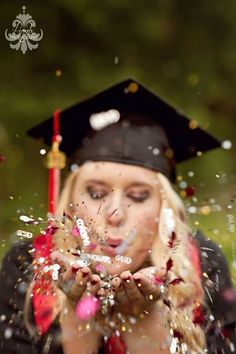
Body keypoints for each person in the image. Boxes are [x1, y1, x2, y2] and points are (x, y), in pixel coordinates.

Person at [0, 79, 235, 354]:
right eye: (97, 193)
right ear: (71, 203)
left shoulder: (201, 267)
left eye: (137, 196)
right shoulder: (28, 265)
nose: (114, 214)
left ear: (164, 208)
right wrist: (78, 322)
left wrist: (147, 325)